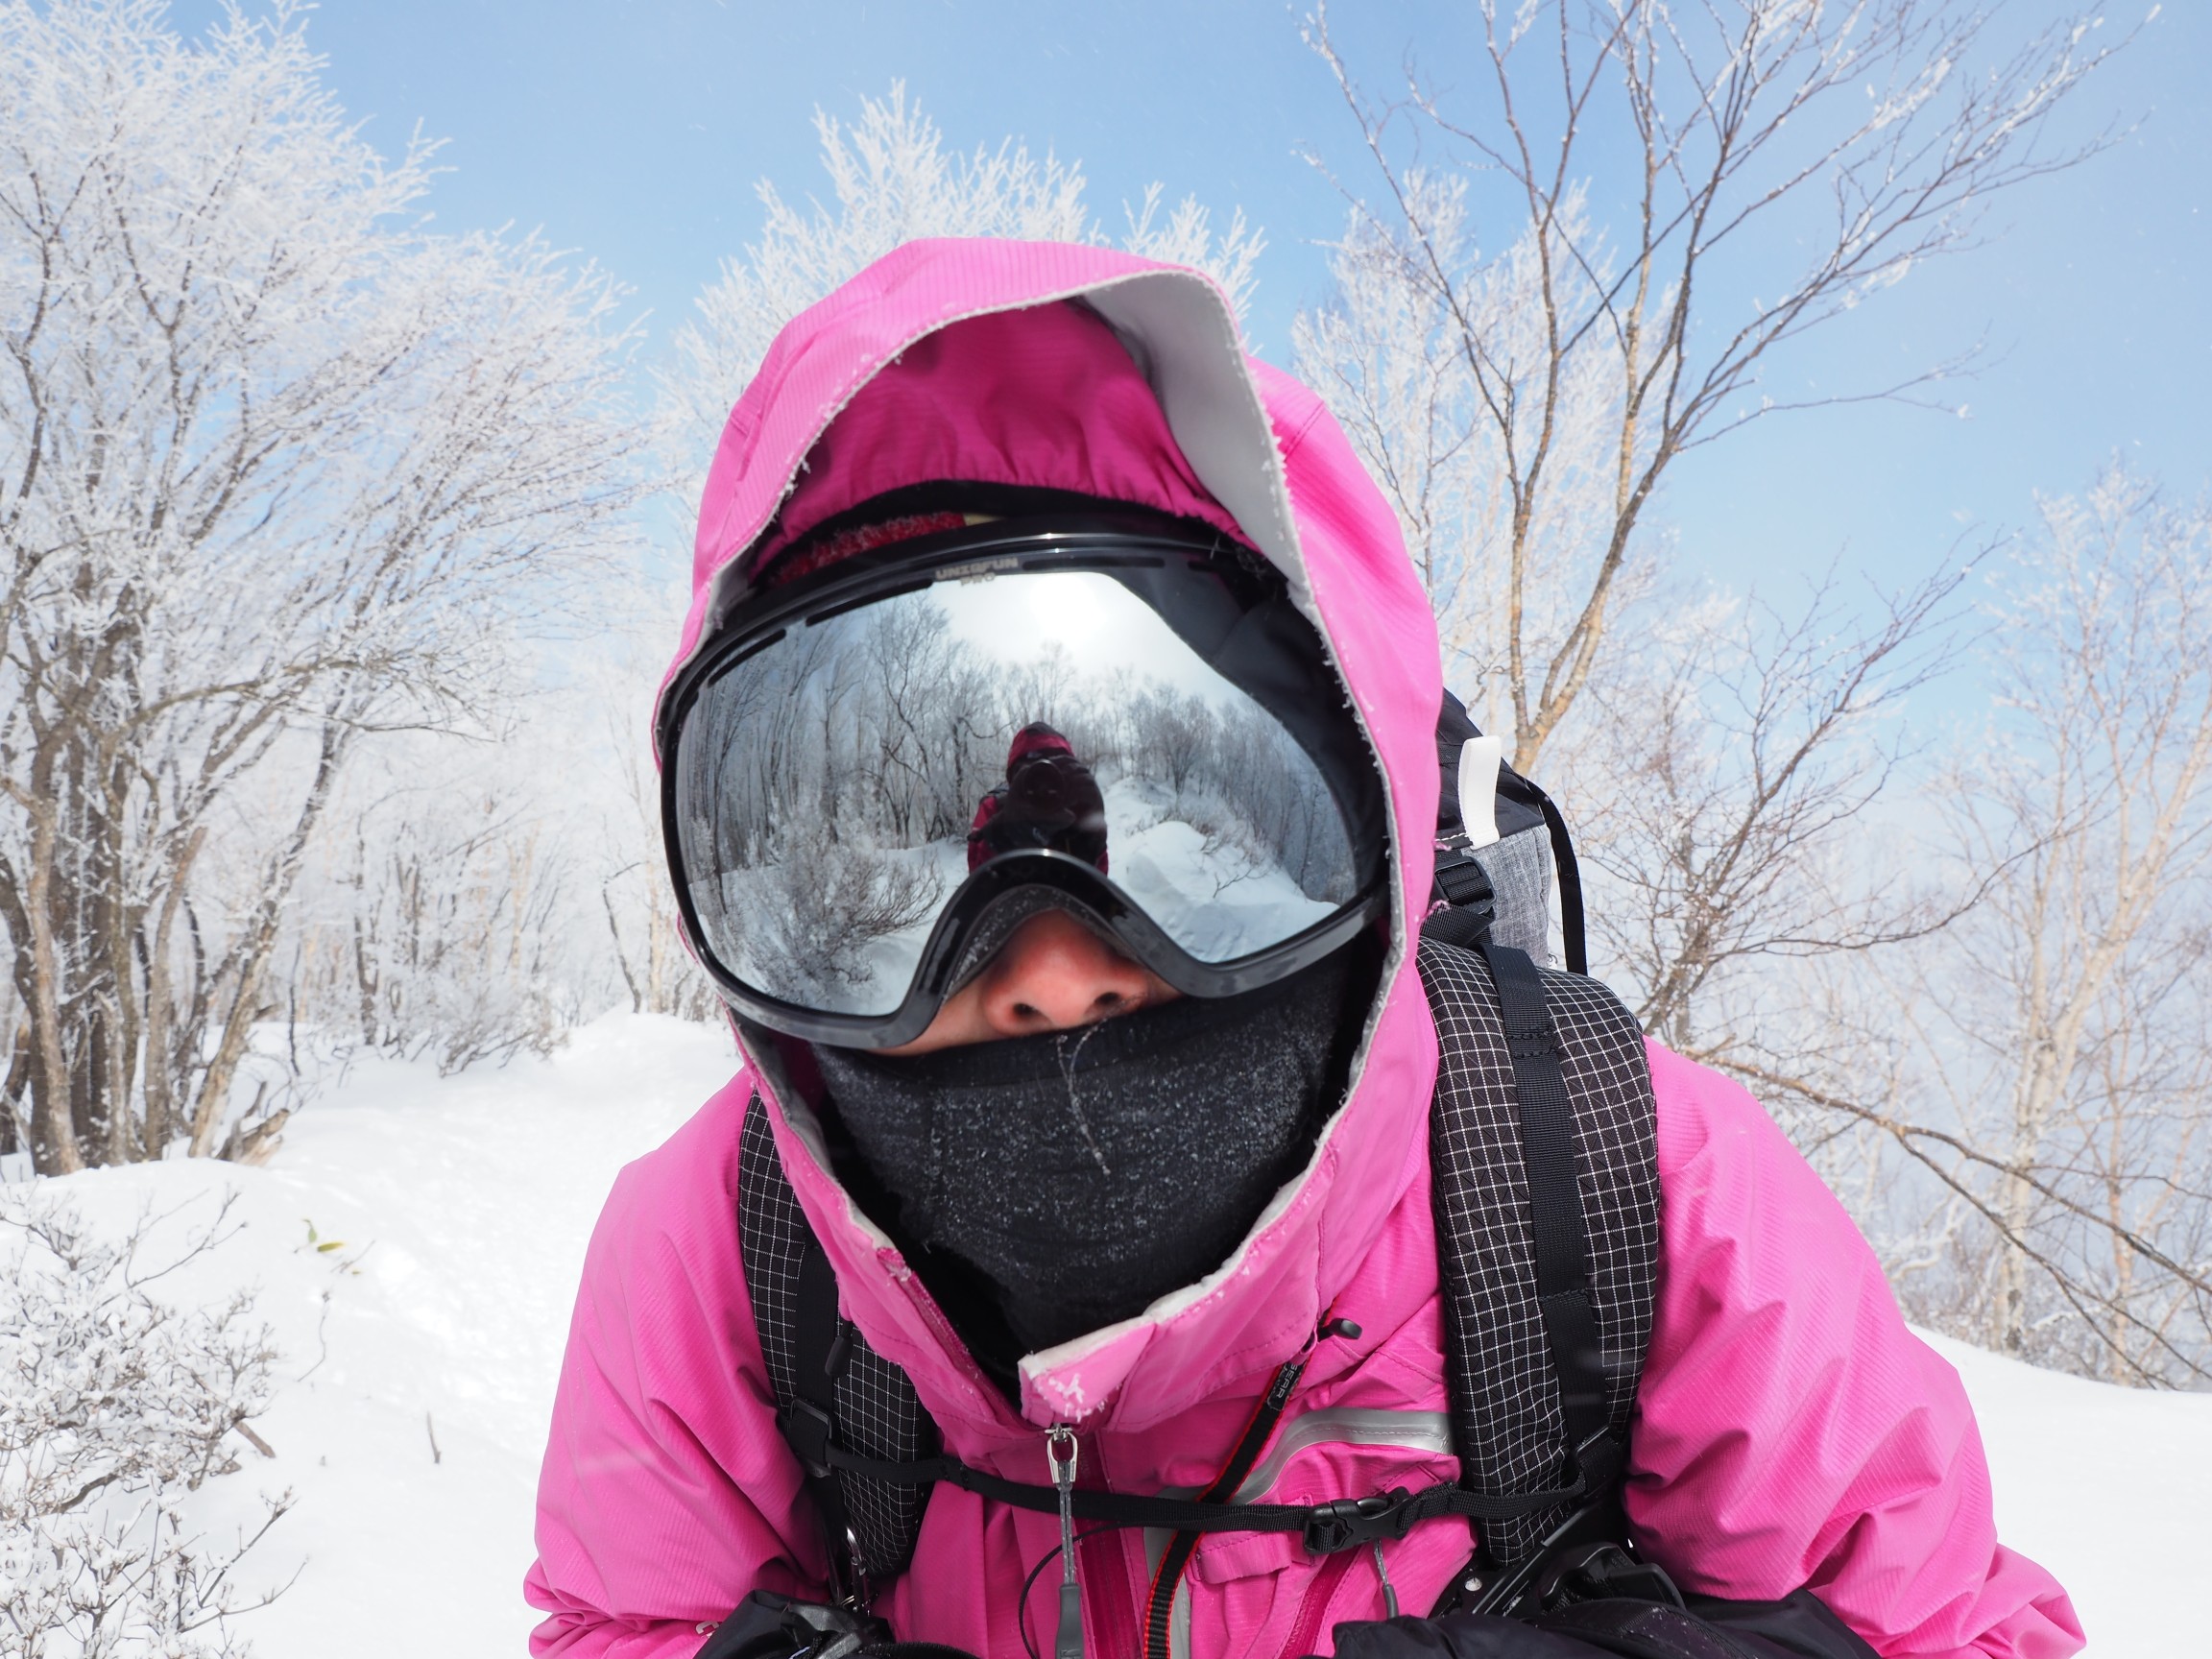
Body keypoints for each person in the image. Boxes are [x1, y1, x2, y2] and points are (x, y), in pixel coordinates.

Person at [525, 240, 2082, 1659]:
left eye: (1187, 830)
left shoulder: (1630, 1191)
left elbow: (1958, 1627)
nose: (1053, 969)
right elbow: (621, 1623)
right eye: (868, 882)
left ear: (1367, 809)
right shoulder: (728, 1255)